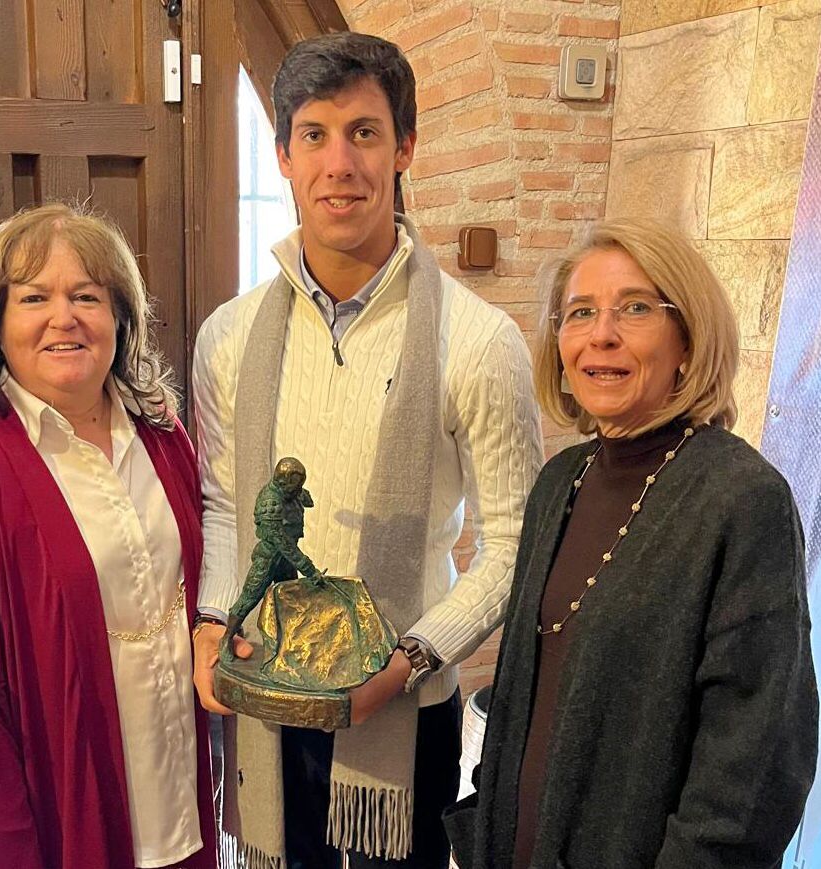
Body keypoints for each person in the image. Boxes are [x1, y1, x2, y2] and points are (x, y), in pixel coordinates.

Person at [191, 32, 543, 869]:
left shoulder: (478, 340)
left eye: (363, 133)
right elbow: (225, 506)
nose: (338, 164)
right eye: (313, 135)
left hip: (404, 707)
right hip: (269, 693)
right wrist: (209, 626)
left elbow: (514, 543)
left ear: (404, 147)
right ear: (283, 156)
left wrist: (410, 657)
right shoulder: (228, 336)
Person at [442, 218, 819, 868]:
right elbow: (521, 696)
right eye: (580, 312)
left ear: (687, 339)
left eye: (635, 308)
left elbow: (754, 767)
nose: (601, 334)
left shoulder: (740, 498)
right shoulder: (560, 481)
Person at [0, 202, 216, 869]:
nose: (63, 317)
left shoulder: (164, 440)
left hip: (181, 803)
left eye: (87, 296)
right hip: (62, 825)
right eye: (34, 297)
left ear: (120, 318)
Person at [220, 456, 321, 658]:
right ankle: (227, 637)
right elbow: (282, 542)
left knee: (291, 599)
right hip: (269, 558)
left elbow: (307, 500)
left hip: (285, 560)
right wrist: (308, 569)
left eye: (300, 485)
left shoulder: (293, 493)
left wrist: (301, 495)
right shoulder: (269, 502)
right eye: (295, 486)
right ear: (282, 482)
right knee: (249, 598)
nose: (298, 490)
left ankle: (287, 643)